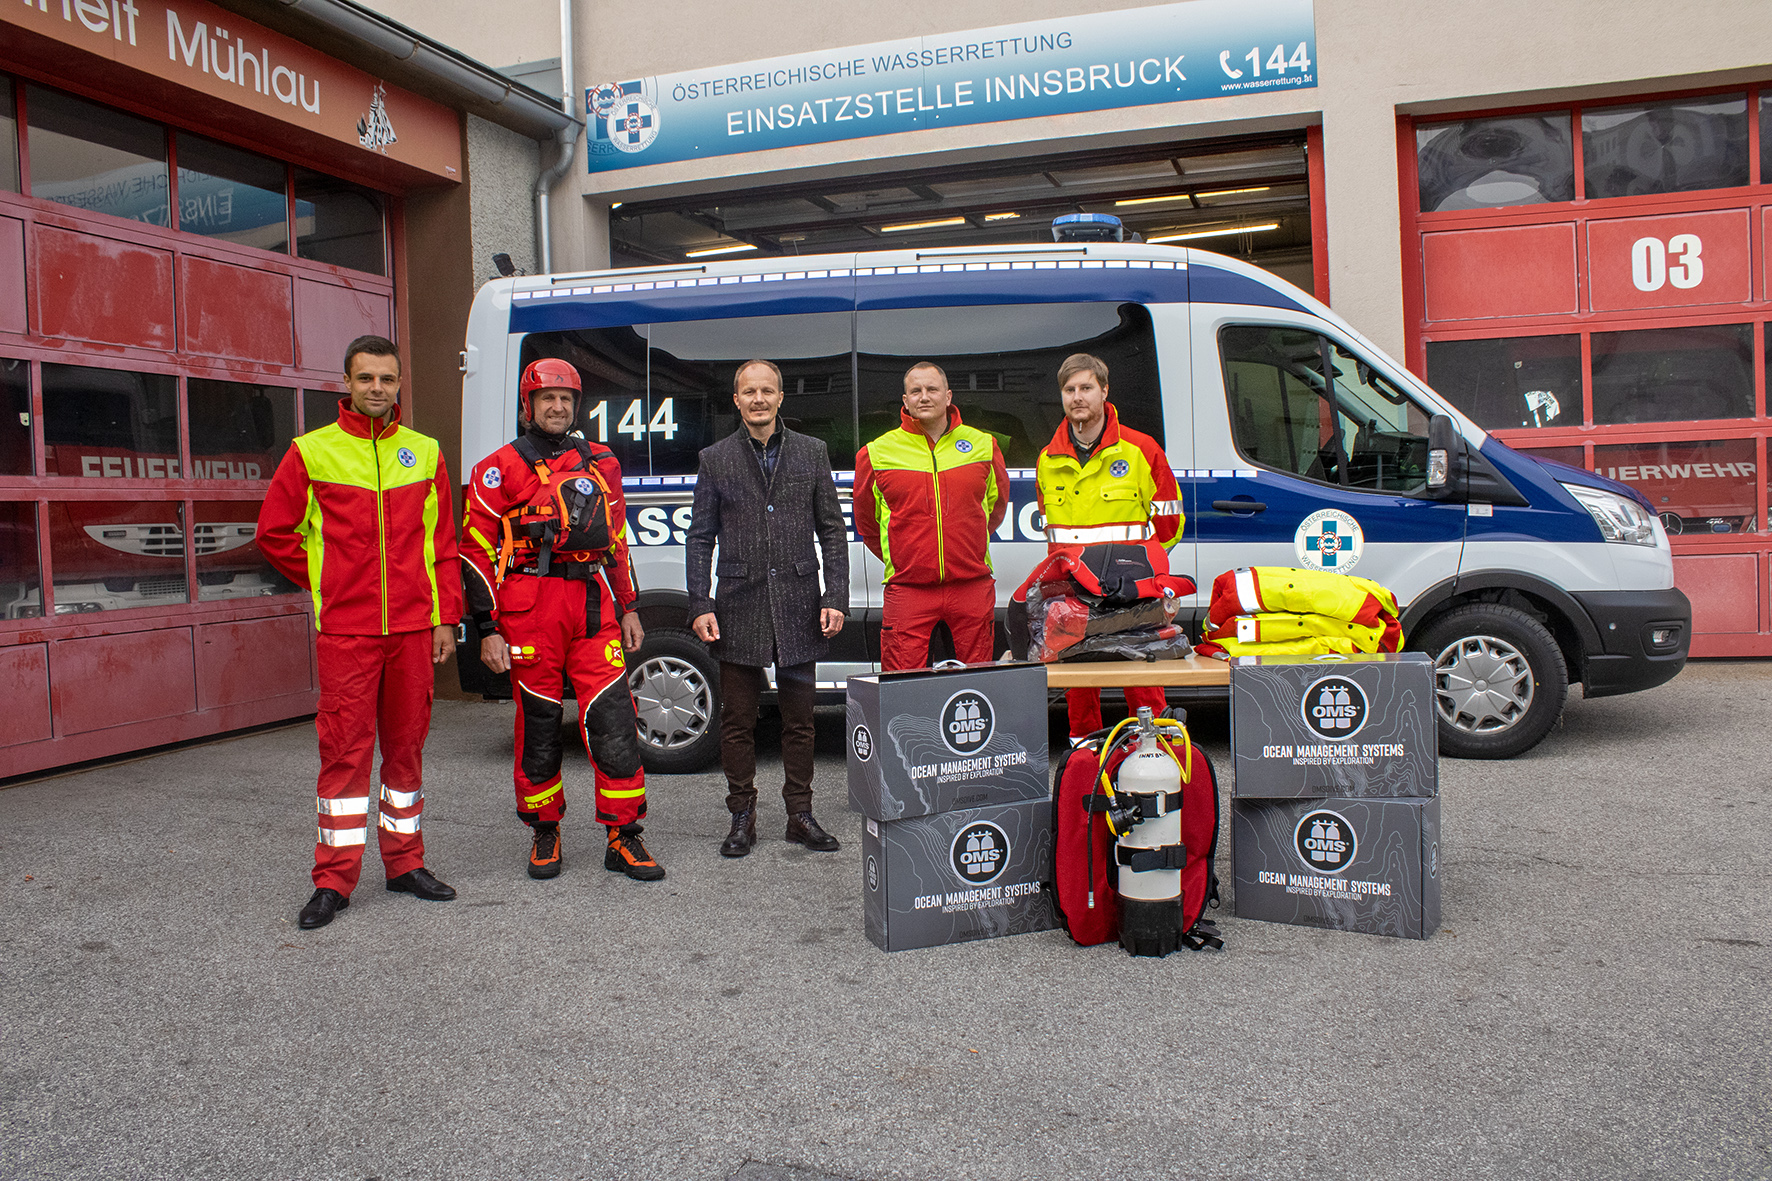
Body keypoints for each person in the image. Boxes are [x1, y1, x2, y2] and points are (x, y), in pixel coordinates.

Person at [258, 334, 464, 931]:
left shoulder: (423, 453)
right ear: (346, 383)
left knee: (405, 751)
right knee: (344, 757)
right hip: (347, 631)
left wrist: (445, 617)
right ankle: (333, 880)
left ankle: (404, 864)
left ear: (400, 384)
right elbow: (274, 532)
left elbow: (443, 546)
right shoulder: (311, 451)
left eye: (388, 379)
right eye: (366, 378)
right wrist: (330, 580)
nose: (378, 388)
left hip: (412, 631)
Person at [460, 359, 663, 883]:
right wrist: (486, 628)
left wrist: (630, 606)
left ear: (577, 406)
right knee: (541, 723)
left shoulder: (601, 462)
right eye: (546, 398)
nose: (557, 407)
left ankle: (624, 835)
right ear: (527, 405)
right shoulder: (497, 470)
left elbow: (616, 538)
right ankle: (544, 829)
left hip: (593, 603)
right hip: (529, 607)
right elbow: (474, 551)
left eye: (566, 399)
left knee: (615, 719)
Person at [685, 359, 849, 858]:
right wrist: (700, 603)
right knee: (738, 721)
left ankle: (800, 816)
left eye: (767, 391)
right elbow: (700, 537)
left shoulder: (812, 452)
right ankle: (742, 817)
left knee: (801, 722)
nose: (758, 399)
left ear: (781, 398)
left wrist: (835, 596)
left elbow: (832, 531)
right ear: (736, 400)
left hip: (801, 605)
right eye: (749, 392)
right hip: (738, 606)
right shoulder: (715, 458)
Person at [1035, 352, 1185, 738]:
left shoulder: (1140, 449)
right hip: (1072, 590)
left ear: (1104, 391)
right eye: (1070, 390)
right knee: (1080, 685)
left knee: (1142, 674)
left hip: (1132, 588)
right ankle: (1084, 761)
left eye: (1086, 387)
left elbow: (1170, 522)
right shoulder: (1047, 459)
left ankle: (1152, 753)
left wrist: (1140, 569)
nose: (1077, 396)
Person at [854, 362, 1009, 670]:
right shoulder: (877, 452)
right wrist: (903, 554)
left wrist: (963, 542)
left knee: (974, 690)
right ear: (906, 401)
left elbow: (994, 507)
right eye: (916, 391)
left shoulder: (983, 445)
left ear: (948, 396)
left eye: (932, 389)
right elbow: (867, 523)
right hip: (909, 590)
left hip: (970, 586)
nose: (924, 397)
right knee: (904, 690)